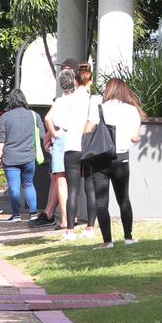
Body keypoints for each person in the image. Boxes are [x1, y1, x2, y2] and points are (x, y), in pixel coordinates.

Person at [84, 78, 144, 249]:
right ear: (124, 90)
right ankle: (128, 237)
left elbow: (87, 130)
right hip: (121, 158)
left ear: (108, 90)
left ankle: (107, 241)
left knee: (101, 202)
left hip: (101, 158)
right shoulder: (133, 110)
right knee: (123, 198)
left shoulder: (100, 108)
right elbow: (134, 137)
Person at [31, 68, 76, 229]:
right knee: (75, 181)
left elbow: (48, 118)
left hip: (62, 138)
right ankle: (73, 215)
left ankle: (64, 218)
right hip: (76, 139)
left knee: (60, 180)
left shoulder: (60, 101)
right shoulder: (81, 100)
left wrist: (53, 133)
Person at [58, 63, 99, 241]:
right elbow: (95, 121)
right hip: (89, 147)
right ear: (90, 81)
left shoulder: (66, 100)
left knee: (72, 189)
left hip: (71, 147)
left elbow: (61, 124)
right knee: (90, 188)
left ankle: (69, 230)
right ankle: (90, 227)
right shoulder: (94, 100)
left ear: (75, 80)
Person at [0, 89, 46, 222]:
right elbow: (42, 135)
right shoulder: (34, 115)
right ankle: (33, 214)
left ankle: (16, 215)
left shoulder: (5, 117)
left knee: (14, 187)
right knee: (29, 184)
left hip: (10, 158)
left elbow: (1, 139)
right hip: (29, 157)